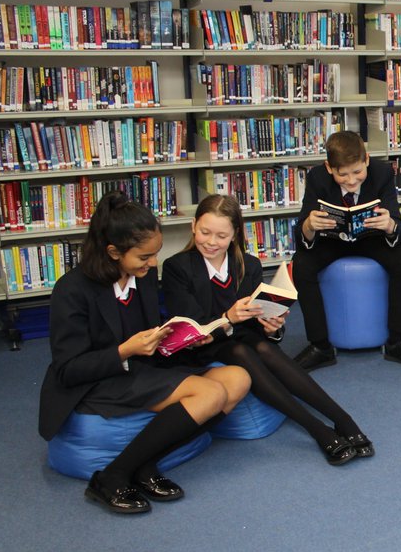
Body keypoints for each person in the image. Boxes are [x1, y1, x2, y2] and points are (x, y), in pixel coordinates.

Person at [38, 192, 251, 515]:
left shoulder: (144, 276)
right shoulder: (72, 290)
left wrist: (179, 338)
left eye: (155, 255)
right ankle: (111, 476)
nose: (153, 264)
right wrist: (126, 350)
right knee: (208, 394)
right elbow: (68, 368)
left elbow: (148, 330)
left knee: (237, 379)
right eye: (144, 257)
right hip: (99, 380)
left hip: (143, 368)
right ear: (113, 252)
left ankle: (145, 466)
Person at [161, 194, 371, 465]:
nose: (211, 242)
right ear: (193, 226)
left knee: (263, 347)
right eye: (205, 232)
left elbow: (257, 325)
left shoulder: (249, 265)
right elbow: (192, 329)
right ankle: (317, 429)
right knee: (242, 350)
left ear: (235, 234)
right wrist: (227, 317)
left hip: (243, 339)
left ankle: (343, 419)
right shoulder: (177, 268)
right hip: (202, 346)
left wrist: (272, 328)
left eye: (221, 236)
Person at [291, 130, 401, 372]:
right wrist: (310, 225)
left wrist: (390, 226)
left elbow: (396, 224)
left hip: (371, 238)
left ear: (367, 160)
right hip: (332, 239)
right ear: (329, 168)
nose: (352, 181)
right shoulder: (317, 178)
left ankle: (398, 341)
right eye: (342, 174)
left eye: (358, 172)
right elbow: (303, 234)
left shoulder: (383, 172)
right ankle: (320, 346)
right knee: (301, 265)